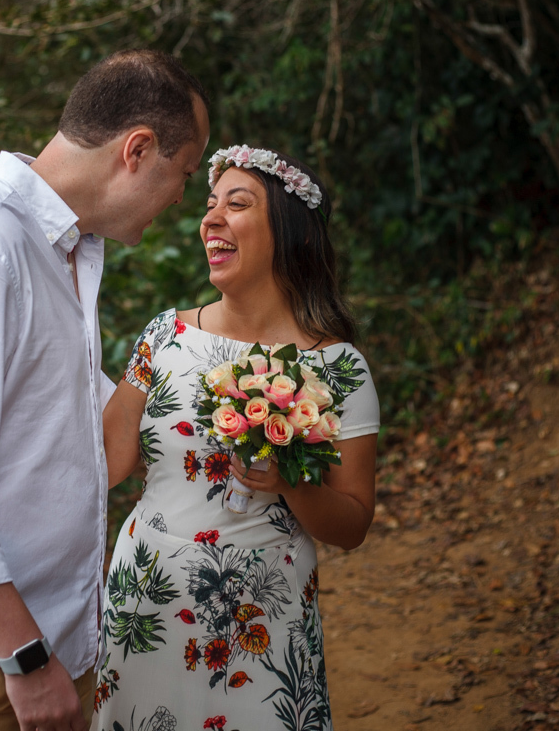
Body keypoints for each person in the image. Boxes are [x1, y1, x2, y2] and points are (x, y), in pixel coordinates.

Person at [0, 50, 210, 731]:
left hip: (48, 649)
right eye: (186, 174)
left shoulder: (59, 256)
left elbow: (100, 445)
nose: (182, 198)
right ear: (138, 150)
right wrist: (25, 658)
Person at [95, 145, 379, 731]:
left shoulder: (338, 368)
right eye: (209, 204)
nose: (211, 219)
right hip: (148, 598)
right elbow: (109, 459)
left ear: (288, 229)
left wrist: (291, 484)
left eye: (238, 203)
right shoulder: (164, 337)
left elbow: (352, 525)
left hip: (264, 616)